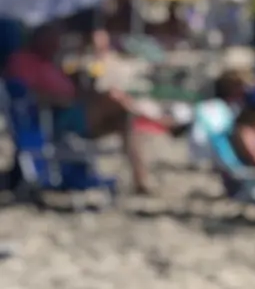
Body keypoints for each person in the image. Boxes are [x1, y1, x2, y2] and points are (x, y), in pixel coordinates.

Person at [3, 24, 153, 193]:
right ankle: (160, 121)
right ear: (40, 38)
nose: (58, 42)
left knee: (124, 119)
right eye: (54, 38)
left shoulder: (51, 61)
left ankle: (141, 179)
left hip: (74, 110)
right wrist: (62, 98)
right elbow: (24, 94)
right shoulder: (24, 61)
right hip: (55, 117)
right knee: (113, 98)